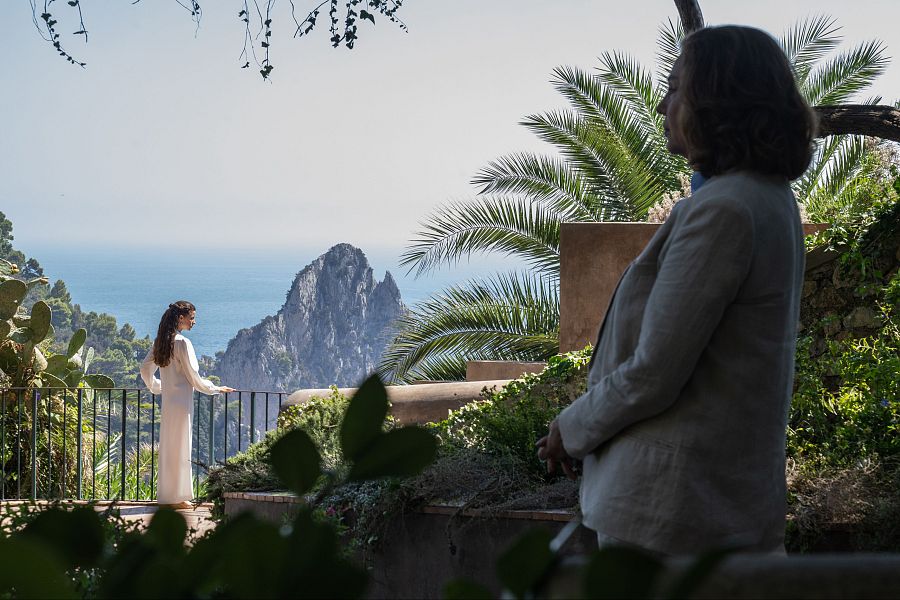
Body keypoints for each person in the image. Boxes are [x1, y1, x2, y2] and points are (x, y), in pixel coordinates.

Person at [537, 25, 816, 555]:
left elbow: (654, 372)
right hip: (716, 506)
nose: (663, 106)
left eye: (675, 89)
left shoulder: (724, 211)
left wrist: (570, 430)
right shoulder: (768, 200)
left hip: (671, 517)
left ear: (717, 102)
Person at [141, 300, 235, 509]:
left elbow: (145, 369)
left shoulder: (161, 341)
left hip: (168, 402)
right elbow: (194, 377)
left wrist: (158, 386)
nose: (194, 322)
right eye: (192, 318)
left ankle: (168, 497)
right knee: (182, 447)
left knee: (169, 448)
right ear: (181, 318)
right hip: (182, 403)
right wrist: (215, 388)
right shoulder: (182, 343)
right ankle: (178, 498)